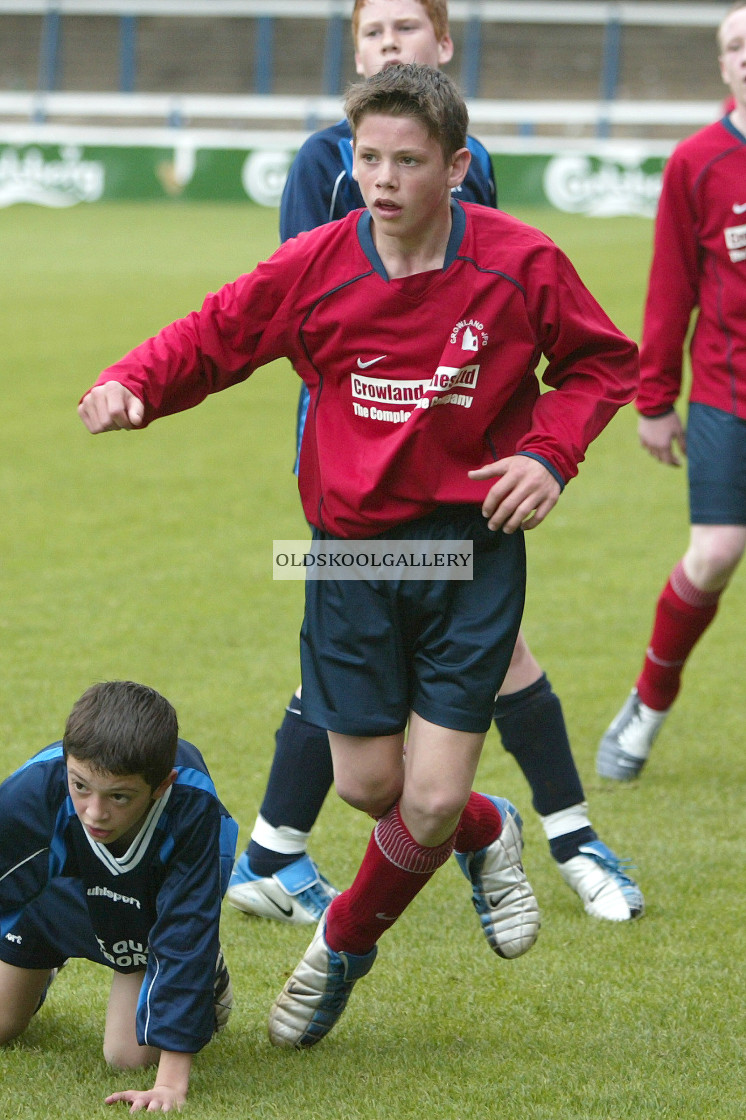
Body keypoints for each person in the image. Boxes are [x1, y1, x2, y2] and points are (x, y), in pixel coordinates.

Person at [77, 63, 639, 1048]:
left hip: (470, 553)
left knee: (422, 794)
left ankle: (337, 945)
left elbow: (600, 362)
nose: (381, 178)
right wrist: (133, 384)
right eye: (367, 157)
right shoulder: (318, 263)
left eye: (407, 161)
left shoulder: (519, 264)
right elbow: (217, 334)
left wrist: (548, 455)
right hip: (345, 559)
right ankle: (487, 830)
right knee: (372, 790)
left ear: (456, 167)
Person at [226, 0, 644, 927]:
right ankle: (554, 835)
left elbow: (493, 309)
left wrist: (533, 441)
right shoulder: (322, 164)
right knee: (379, 643)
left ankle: (277, 851)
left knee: (440, 652)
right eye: (371, 33)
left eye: (404, 30)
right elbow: (296, 306)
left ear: (443, 46)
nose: (387, 44)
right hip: (361, 454)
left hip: (461, 456)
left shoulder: (474, 166)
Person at [597, 1, 746, 781]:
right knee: (717, 550)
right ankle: (647, 706)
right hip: (729, 391)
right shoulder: (699, 162)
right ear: (723, 65)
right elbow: (671, 288)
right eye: (734, 45)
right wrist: (654, 398)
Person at [0, 680, 238, 1111]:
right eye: (81, 786)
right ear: (67, 764)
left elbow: (186, 925)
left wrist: (170, 1083)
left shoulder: (191, 808)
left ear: (160, 786)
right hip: (47, 904)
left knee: (127, 1057)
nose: (94, 811)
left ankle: (207, 975)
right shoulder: (35, 788)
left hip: (140, 918)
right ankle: (40, 965)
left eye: (119, 797)